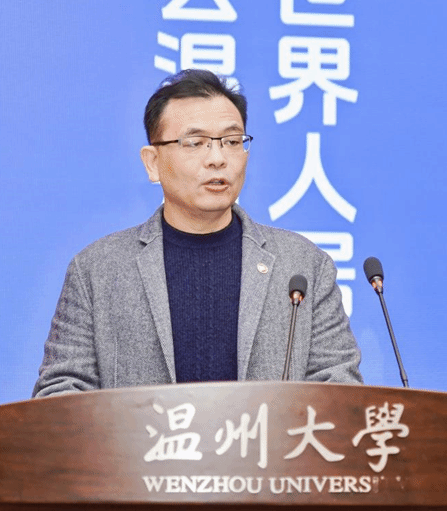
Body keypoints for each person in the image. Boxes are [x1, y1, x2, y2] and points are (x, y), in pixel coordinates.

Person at [33, 69, 362, 397]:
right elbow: (60, 394)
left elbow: (341, 391)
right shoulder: (97, 270)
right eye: (195, 143)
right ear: (152, 162)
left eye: (232, 142)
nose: (218, 159)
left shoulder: (304, 266)